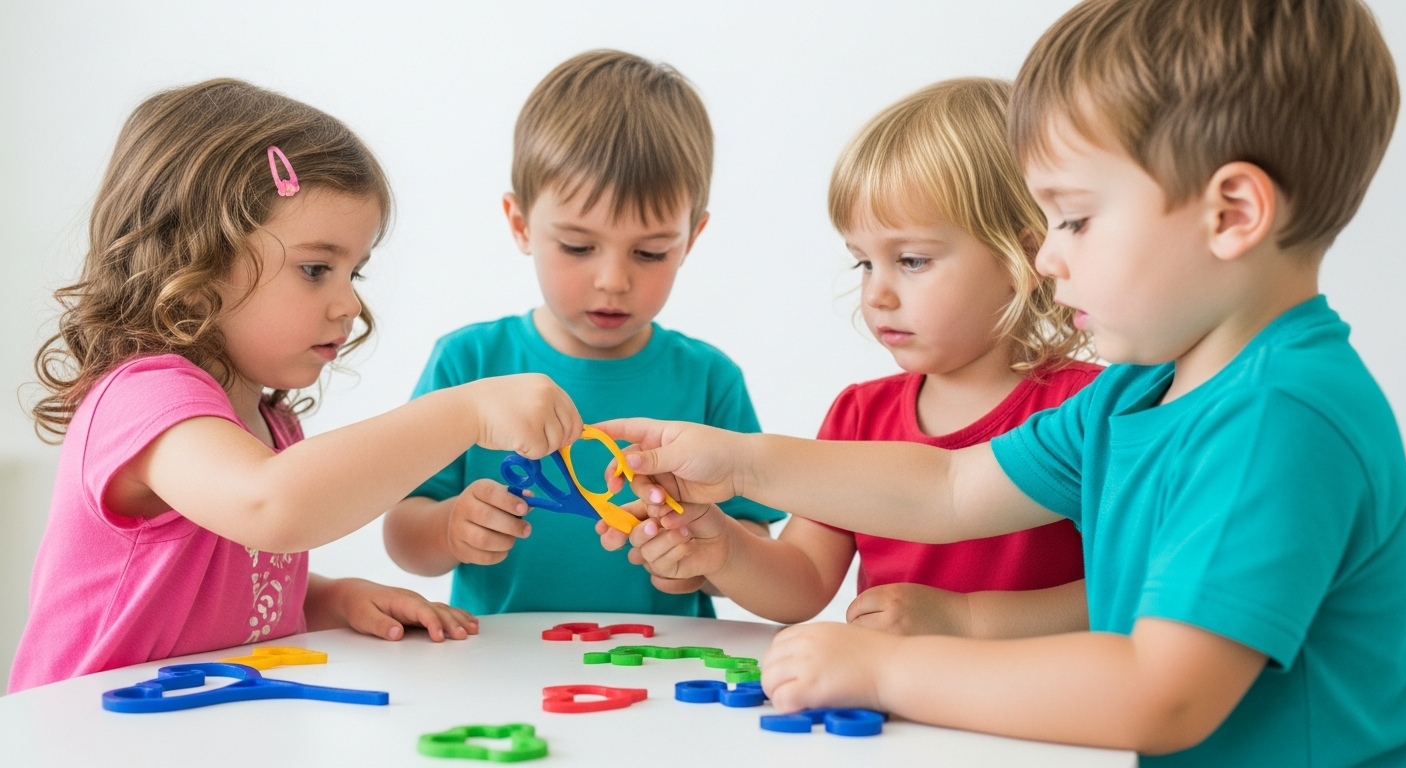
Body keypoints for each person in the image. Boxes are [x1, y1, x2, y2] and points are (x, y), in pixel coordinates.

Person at [601, 0, 1406, 763]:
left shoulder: (1277, 417)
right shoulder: (1136, 392)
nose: (1047, 257)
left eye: (1075, 218)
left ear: (1231, 213)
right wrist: (738, 463)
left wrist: (889, 671)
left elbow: (1163, 694)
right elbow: (949, 486)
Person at [11, 79, 581, 692]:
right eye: (316, 269)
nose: (349, 304)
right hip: (84, 731)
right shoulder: (142, 400)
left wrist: (331, 599)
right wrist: (466, 411)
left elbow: (223, 587)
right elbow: (271, 506)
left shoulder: (270, 423)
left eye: (353, 273)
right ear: (194, 264)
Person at [607, 78, 1099, 638]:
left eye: (911, 260)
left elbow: (1130, 588)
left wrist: (967, 621)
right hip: (887, 695)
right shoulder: (860, 415)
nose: (877, 294)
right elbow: (805, 579)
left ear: (1024, 256)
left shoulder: (1087, 409)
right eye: (864, 263)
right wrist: (723, 551)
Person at [381, 51, 783, 618]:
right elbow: (401, 530)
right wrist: (449, 529)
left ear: (691, 239)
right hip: (497, 662)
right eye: (577, 246)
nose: (613, 280)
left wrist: (709, 557)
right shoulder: (467, 363)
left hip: (666, 663)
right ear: (521, 224)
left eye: (650, 252)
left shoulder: (709, 379)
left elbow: (757, 544)